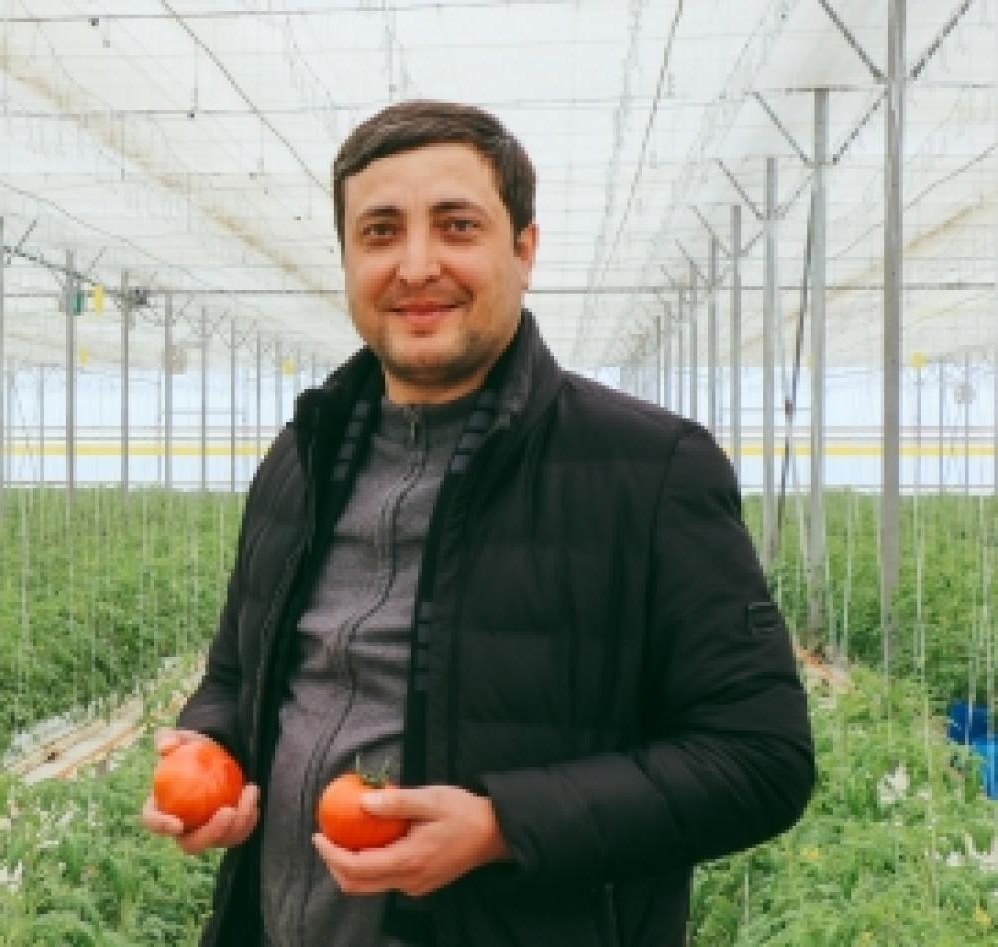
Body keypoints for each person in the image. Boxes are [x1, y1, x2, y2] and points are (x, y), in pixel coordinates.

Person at [139, 100, 815, 946]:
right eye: (380, 232)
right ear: (347, 258)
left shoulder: (649, 469)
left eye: (456, 225)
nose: (417, 264)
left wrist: (504, 824)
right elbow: (237, 677)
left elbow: (760, 759)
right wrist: (211, 750)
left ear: (524, 249)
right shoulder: (299, 459)